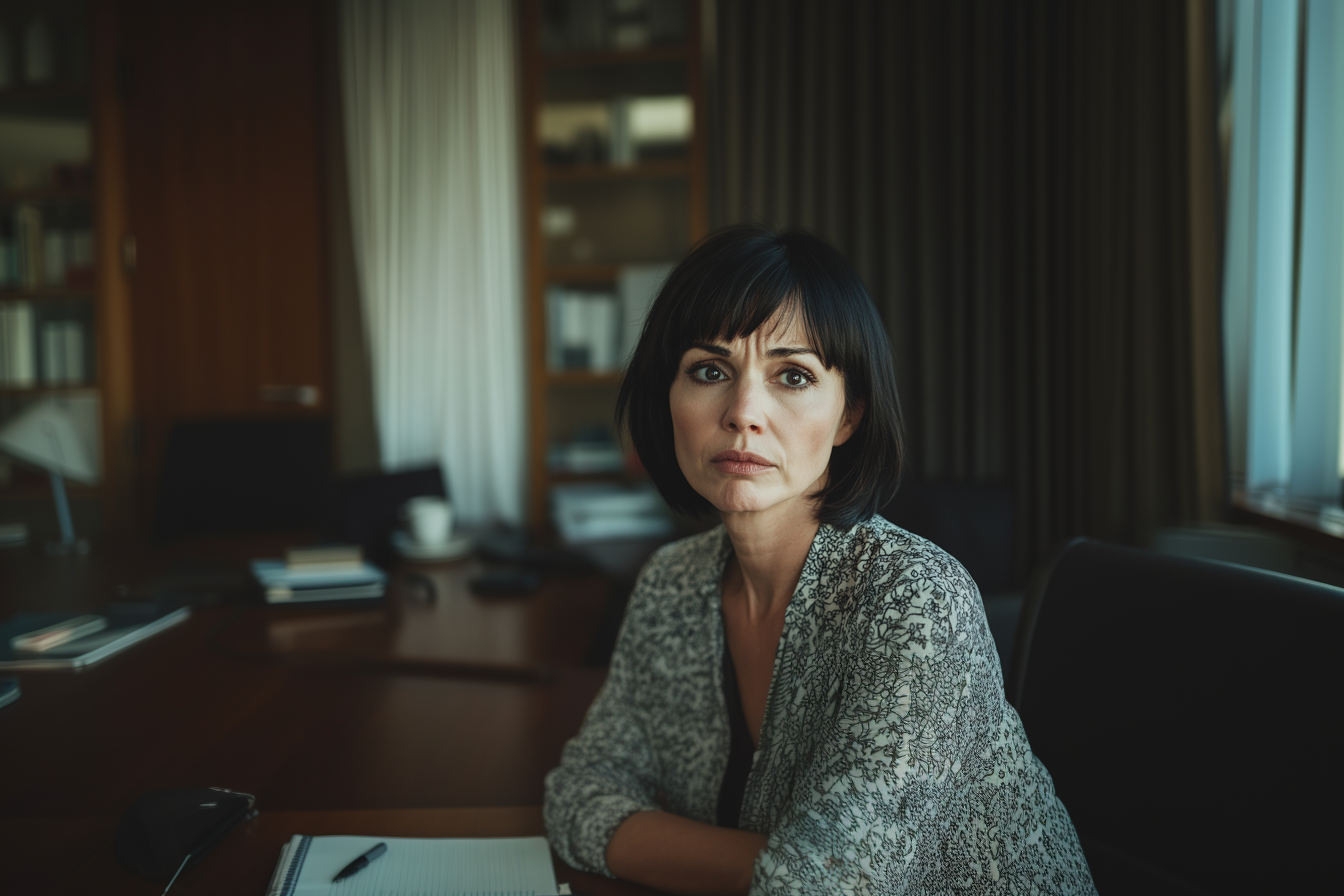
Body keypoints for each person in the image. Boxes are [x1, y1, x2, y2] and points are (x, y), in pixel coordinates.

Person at [544, 226, 1096, 895]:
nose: (744, 412)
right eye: (709, 371)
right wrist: (777, 865)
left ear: (848, 415)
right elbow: (575, 799)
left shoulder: (918, 599)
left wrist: (661, 841)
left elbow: (827, 885)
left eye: (793, 375)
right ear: (669, 398)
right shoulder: (669, 584)